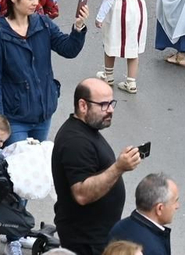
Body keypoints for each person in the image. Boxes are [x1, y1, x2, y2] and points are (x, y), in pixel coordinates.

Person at [0, 0, 90, 143]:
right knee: (19, 167)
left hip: (43, 116)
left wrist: (78, 27)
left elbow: (68, 49)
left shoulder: (43, 23)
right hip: (15, 120)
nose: (36, 3)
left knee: (37, 166)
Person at [51, 79, 142, 255]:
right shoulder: (75, 142)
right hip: (85, 242)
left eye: (111, 103)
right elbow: (82, 194)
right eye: (104, 105)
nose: (111, 109)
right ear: (83, 105)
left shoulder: (86, 131)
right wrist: (118, 168)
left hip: (96, 236)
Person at [106, 173, 176, 255]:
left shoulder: (119, 227)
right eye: (175, 201)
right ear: (159, 208)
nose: (177, 206)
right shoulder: (154, 249)